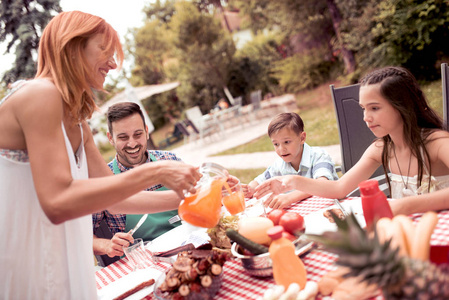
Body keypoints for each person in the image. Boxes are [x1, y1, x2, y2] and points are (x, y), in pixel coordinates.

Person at [0, 11, 201, 299]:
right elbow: (56, 202)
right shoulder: (39, 94)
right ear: (72, 46)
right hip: (30, 273)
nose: (113, 63)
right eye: (104, 51)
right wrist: (154, 171)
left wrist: (191, 196)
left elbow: (117, 201)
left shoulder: (77, 119)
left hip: (67, 269)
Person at [254, 66, 449, 216]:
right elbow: (339, 188)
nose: (365, 117)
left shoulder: (437, 144)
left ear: (402, 106)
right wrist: (292, 181)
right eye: (363, 108)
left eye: (374, 108)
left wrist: (405, 205)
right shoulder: (380, 149)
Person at [93, 102, 183, 258]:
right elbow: (81, 236)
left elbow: (199, 197)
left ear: (146, 131)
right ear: (110, 138)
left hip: (186, 246)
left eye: (138, 134)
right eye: (123, 137)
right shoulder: (103, 180)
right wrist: (107, 245)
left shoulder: (170, 160)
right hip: (142, 263)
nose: (132, 143)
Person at [243, 112, 338, 209]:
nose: (281, 149)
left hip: (332, 208)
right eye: (276, 144)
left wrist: (290, 197)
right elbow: (259, 181)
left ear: (302, 138)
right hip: (304, 212)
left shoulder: (319, 156)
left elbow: (322, 184)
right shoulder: (279, 165)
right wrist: (249, 189)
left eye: (287, 142)